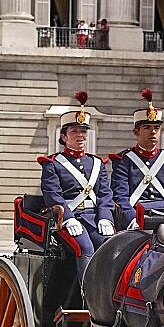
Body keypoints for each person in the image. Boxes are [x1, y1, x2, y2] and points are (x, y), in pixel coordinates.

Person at [39, 91, 116, 280]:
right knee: (85, 247)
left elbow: (105, 195)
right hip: (68, 220)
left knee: (112, 246)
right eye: (74, 132)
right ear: (64, 137)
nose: (80, 136)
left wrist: (106, 217)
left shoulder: (96, 163)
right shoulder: (53, 163)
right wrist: (67, 217)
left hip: (94, 218)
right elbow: (52, 195)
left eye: (83, 131)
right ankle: (86, 296)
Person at [109, 88, 164, 230]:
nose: (153, 132)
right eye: (147, 127)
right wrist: (131, 219)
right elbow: (120, 196)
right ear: (136, 132)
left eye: (156, 128)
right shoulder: (123, 160)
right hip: (135, 220)